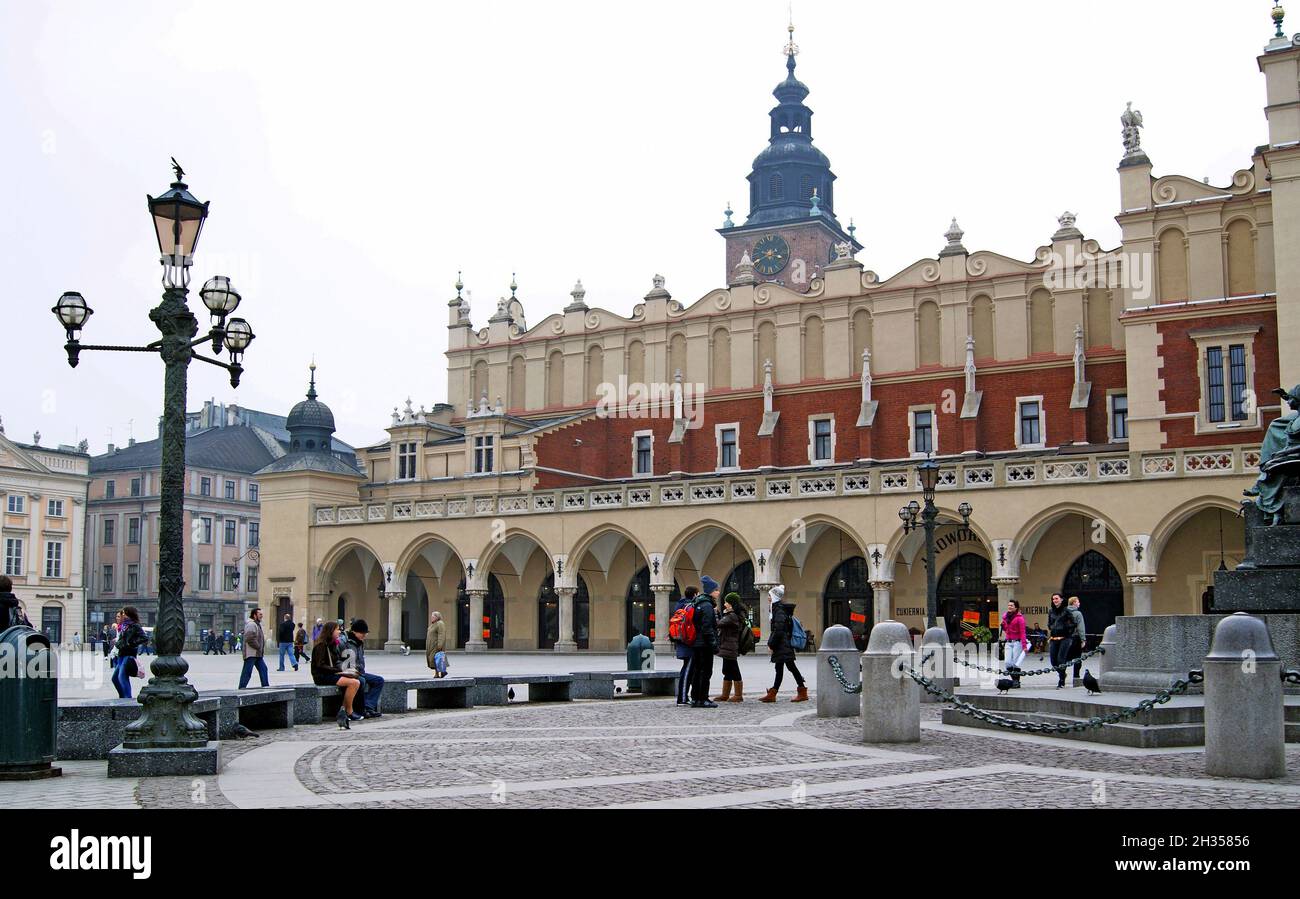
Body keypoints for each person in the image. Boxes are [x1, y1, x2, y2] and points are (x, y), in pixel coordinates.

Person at [761, 585, 808, 702]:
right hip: (782, 644)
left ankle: (800, 692)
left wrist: (771, 644)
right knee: (784, 668)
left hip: (782, 645)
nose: (768, 598)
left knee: (789, 667)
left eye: (769, 595)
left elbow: (779, 630)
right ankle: (774, 692)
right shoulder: (777, 610)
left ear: (774, 597)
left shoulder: (779, 611)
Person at [311, 621, 361, 729]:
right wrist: (337, 670)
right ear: (330, 631)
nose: (339, 631)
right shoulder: (321, 646)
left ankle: (342, 711)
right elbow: (320, 665)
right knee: (354, 683)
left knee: (356, 680)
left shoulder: (332, 644)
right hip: (322, 676)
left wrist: (344, 670)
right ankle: (348, 711)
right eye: (337, 629)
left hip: (331, 674)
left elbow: (335, 661)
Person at [689, 576, 720, 708]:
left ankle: (695, 698)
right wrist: (714, 644)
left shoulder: (698, 603)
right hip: (704, 644)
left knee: (697, 671)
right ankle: (703, 699)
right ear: (711, 591)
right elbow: (707, 628)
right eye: (716, 589)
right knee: (705, 671)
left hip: (697, 643)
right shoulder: (707, 606)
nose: (718, 592)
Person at [342, 619, 384, 718]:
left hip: (360, 672)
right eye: (362, 633)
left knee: (379, 680)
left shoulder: (359, 642)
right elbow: (344, 661)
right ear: (354, 632)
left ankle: (368, 706)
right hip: (350, 672)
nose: (364, 636)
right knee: (362, 681)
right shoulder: (346, 642)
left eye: (365, 633)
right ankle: (360, 709)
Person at [712, 592, 746, 703]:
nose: (725, 604)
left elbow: (718, 624)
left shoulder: (732, 616)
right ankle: (725, 694)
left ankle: (738, 695)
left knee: (734, 669)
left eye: (726, 602)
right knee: (727, 669)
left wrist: (715, 613)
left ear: (731, 604)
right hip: (728, 645)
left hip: (730, 646)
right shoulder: (731, 614)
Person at [111, 607, 148, 699]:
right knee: (115, 678)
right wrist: (119, 642)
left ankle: (127, 698)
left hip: (128, 655)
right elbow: (123, 638)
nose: (122, 615)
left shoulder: (135, 625)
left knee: (122, 677)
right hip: (121, 654)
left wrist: (130, 643)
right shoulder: (124, 625)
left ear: (129, 614)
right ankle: (122, 696)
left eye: (123, 613)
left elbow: (144, 638)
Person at [672, 586, 699, 705]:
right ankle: (682, 698)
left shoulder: (680, 605)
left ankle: (690, 696)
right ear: (694, 595)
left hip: (681, 641)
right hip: (689, 642)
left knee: (689, 669)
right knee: (687, 671)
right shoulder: (690, 607)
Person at [1047, 593, 1074, 689]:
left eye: (1057, 598)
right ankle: (1062, 674)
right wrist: (1052, 628)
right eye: (1053, 599)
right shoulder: (1051, 611)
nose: (1055, 600)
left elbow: (1073, 623)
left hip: (1064, 638)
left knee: (1060, 659)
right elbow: (1049, 623)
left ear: (1061, 600)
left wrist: (1066, 629)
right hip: (1054, 638)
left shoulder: (1066, 611)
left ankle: (1061, 680)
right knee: (1053, 661)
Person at [1000, 599, 1030, 687]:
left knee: (1015, 663)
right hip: (1008, 642)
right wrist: (1004, 627)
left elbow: (1022, 632)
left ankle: (1016, 682)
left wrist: (1024, 646)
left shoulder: (1020, 618)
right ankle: (1014, 679)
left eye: (1011, 605)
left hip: (1017, 642)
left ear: (1016, 607)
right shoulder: (1005, 617)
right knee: (1007, 662)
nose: (1009, 607)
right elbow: (1007, 630)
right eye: (1009, 605)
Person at [238, 607, 270, 689]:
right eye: (260, 614)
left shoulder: (256, 624)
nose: (261, 616)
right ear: (254, 615)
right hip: (251, 653)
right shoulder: (251, 624)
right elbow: (250, 638)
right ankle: (241, 687)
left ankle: (266, 686)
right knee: (247, 672)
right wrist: (258, 647)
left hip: (257, 654)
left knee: (263, 669)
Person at [1068, 596, 1087, 686]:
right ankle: (1076, 678)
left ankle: (1062, 678)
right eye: (1078, 602)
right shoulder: (1078, 613)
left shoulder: (1064, 612)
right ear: (1074, 603)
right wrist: (1083, 639)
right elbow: (1081, 627)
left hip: (1065, 639)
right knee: (1077, 658)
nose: (1079, 603)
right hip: (1075, 638)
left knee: (1064, 658)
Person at [426, 610, 448, 677]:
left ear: (437, 617)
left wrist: (440, 644)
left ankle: (438, 673)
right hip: (431, 645)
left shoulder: (440, 623)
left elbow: (441, 634)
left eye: (433, 617)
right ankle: (441, 672)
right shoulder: (433, 625)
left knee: (436, 659)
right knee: (434, 659)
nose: (431, 618)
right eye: (431, 617)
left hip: (436, 645)